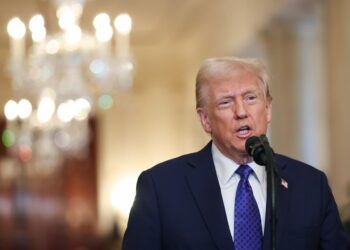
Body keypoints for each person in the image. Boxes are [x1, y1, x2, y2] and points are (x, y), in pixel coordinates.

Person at [122, 57, 350, 249]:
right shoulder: (161, 188)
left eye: (251, 98)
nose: (241, 112)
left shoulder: (310, 184)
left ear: (268, 109)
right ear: (205, 119)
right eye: (225, 102)